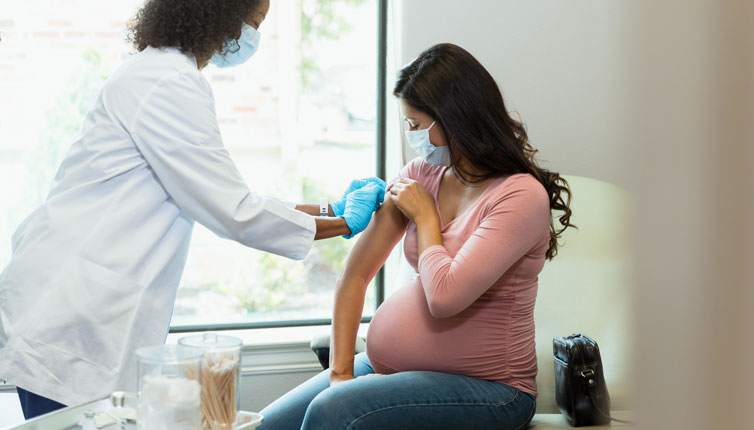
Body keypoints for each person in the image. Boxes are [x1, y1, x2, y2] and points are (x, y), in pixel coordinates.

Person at [0, 0, 384, 419]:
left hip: (78, 308)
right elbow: (233, 210)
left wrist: (328, 208)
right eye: (254, 24)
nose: (251, 37)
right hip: (71, 318)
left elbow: (222, 192)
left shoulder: (157, 73)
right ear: (218, 15)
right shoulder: (168, 82)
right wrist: (344, 222)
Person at [258, 43, 575, 430]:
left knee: (333, 412)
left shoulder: (520, 196)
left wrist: (426, 216)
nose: (412, 137)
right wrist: (341, 374)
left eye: (415, 124)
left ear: (454, 119)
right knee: (263, 426)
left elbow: (444, 297)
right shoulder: (420, 173)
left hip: (491, 390)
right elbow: (354, 276)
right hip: (386, 367)